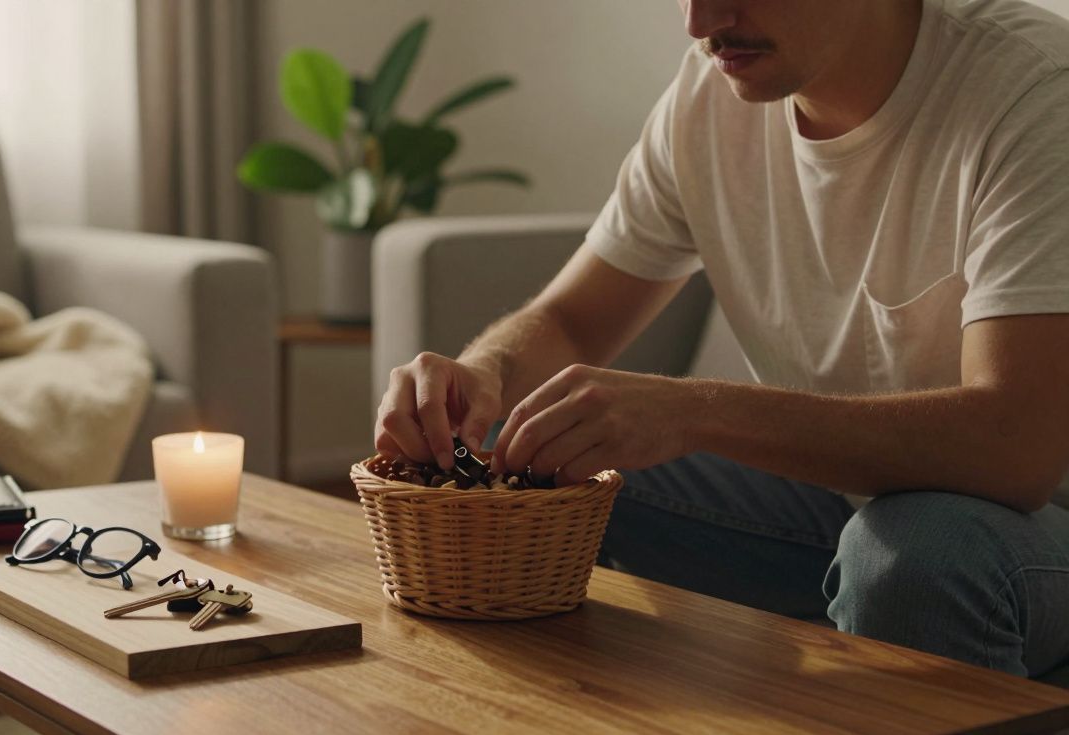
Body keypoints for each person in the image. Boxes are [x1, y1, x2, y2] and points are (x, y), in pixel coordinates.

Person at [373, 0, 1069, 678]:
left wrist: (693, 411)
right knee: (564, 463)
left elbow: (1017, 448)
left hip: (1028, 528)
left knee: (919, 554)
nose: (699, 23)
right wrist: (483, 371)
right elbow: (573, 322)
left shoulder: (1034, 90)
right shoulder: (709, 95)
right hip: (845, 504)